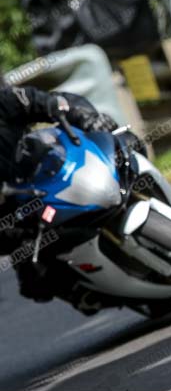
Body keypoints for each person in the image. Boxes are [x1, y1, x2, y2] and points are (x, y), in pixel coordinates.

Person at [0, 76, 118, 303]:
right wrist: (17, 236)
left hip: (53, 166)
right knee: (36, 281)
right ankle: (89, 291)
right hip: (24, 212)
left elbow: (52, 102)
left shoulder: (7, 101)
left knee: (122, 144)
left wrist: (89, 119)